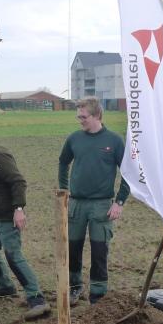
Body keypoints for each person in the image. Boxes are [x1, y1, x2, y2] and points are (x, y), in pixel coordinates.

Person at [0, 125, 51, 320]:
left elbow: (17, 181)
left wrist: (19, 209)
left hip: (7, 215)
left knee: (13, 255)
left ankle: (37, 299)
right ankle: (5, 286)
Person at [58, 97, 130, 305]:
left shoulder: (114, 141)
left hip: (102, 206)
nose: (80, 120)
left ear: (97, 115)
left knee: (99, 251)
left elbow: (127, 173)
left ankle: (98, 295)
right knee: (73, 248)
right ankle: (74, 287)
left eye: (84, 116)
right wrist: (64, 189)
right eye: (78, 116)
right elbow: (63, 163)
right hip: (76, 205)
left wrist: (120, 201)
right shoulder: (74, 139)